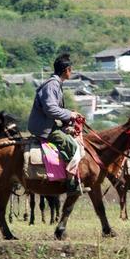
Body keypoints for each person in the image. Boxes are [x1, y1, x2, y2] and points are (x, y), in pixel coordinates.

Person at [28, 53, 83, 194]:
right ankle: (70, 184)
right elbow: (51, 109)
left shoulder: (56, 84)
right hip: (43, 128)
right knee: (71, 145)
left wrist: (70, 117)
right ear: (67, 70)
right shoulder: (52, 85)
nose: (72, 72)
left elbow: (55, 109)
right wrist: (70, 114)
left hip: (48, 124)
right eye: (71, 69)